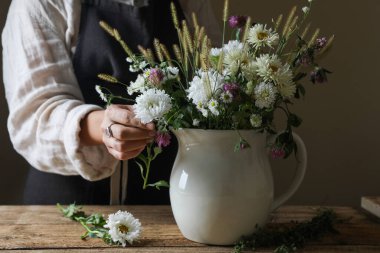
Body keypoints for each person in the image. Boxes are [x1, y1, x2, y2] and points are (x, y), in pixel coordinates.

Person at [2, 0, 220, 205]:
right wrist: (105, 126)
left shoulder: (189, 3)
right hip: (70, 208)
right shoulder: (39, 4)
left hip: (172, 201)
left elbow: (214, 79)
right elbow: (34, 115)